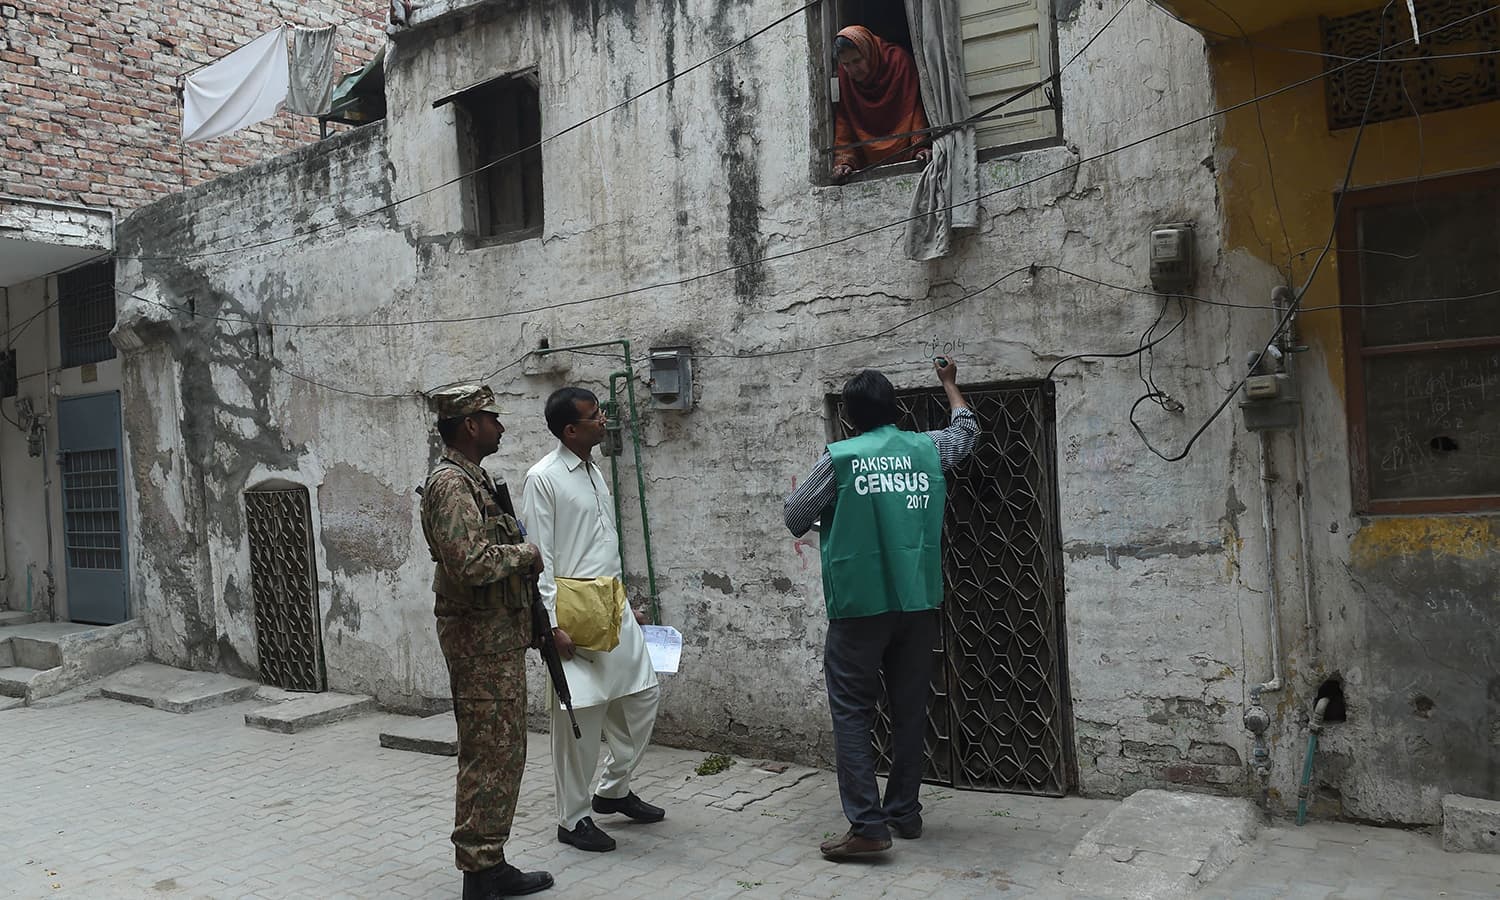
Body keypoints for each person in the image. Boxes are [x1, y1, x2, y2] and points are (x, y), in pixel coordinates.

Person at [782, 360, 978, 859]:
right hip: (916, 600)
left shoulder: (841, 457)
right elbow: (967, 432)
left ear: (849, 418)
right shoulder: (927, 448)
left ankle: (868, 826)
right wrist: (950, 384)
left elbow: (795, 515)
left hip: (859, 604)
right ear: (895, 408)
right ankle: (904, 812)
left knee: (852, 711)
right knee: (911, 708)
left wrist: (843, 517)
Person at [419, 384, 555, 899]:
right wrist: (527, 554)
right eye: (492, 418)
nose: (501, 427)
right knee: (488, 752)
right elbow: (469, 563)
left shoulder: (476, 482)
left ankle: (489, 861)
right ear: (470, 424)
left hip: (495, 639)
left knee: (503, 752)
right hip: (478, 644)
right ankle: (479, 873)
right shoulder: (452, 485)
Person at [520, 387, 664, 854]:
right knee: (579, 719)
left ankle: (613, 790)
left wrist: (625, 604)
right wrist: (549, 625)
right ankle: (573, 818)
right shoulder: (543, 478)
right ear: (571, 429)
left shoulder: (594, 471)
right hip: (570, 616)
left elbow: (603, 545)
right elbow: (539, 556)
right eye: (595, 415)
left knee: (643, 697)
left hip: (612, 606)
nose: (604, 420)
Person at [832, 25, 932, 180]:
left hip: (907, 152)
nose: (853, 69)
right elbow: (844, 121)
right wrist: (844, 162)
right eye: (846, 64)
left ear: (869, 52)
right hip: (869, 164)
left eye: (857, 60)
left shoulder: (899, 62)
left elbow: (915, 106)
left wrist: (920, 146)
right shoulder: (845, 78)